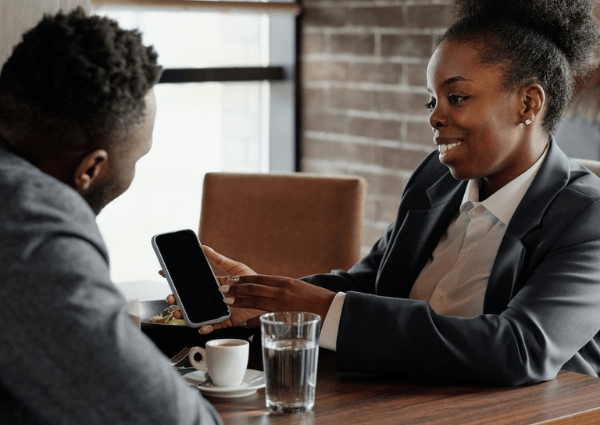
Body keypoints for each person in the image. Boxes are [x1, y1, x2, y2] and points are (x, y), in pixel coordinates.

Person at [193, 0, 600, 386]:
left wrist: (320, 308)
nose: (436, 117)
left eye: (456, 98)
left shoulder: (588, 218)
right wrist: (264, 295)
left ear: (528, 103)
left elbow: (519, 348)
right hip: (398, 399)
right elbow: (371, 284)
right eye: (432, 101)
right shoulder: (435, 180)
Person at [0, 8, 221, 424]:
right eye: (138, 157)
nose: (136, 169)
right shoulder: (27, 223)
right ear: (89, 170)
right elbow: (164, 417)